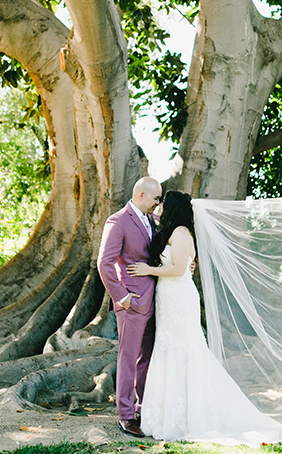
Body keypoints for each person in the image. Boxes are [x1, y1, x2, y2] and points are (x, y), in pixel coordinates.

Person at [127, 190, 282, 447]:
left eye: (162, 203)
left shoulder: (181, 232)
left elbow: (179, 268)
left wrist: (149, 270)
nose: (158, 206)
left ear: (172, 209)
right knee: (169, 350)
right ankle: (170, 414)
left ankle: (191, 415)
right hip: (168, 299)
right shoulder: (172, 232)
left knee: (186, 350)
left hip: (179, 300)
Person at [97, 176, 162, 438]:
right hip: (132, 302)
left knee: (146, 358)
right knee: (128, 358)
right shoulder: (118, 221)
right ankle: (125, 415)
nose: (158, 203)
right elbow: (105, 262)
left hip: (156, 300)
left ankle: (143, 409)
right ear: (141, 195)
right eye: (156, 198)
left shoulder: (153, 220)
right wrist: (121, 296)